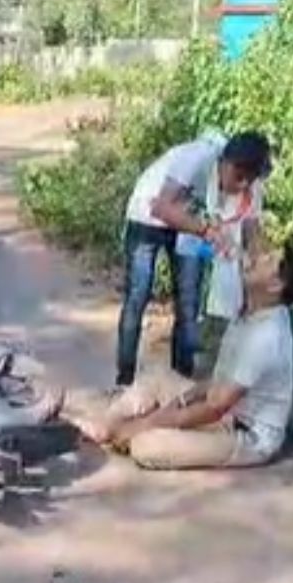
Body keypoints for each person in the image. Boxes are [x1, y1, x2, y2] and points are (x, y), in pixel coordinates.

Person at [87, 238, 293, 469]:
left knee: (146, 445)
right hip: (223, 410)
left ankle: (126, 432)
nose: (256, 259)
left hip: (246, 435)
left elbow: (215, 407)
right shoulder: (252, 309)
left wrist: (150, 424)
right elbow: (219, 381)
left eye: (267, 260)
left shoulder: (267, 337)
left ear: (276, 284)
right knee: (156, 376)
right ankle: (105, 429)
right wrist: (179, 402)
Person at [116, 129, 272, 389]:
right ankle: (125, 379)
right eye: (239, 177)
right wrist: (208, 232)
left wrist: (256, 276)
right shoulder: (196, 158)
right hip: (147, 217)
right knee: (138, 296)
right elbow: (161, 207)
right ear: (225, 162)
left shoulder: (250, 186)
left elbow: (252, 232)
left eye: (250, 179)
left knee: (189, 304)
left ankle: (180, 382)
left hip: (189, 222)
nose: (242, 185)